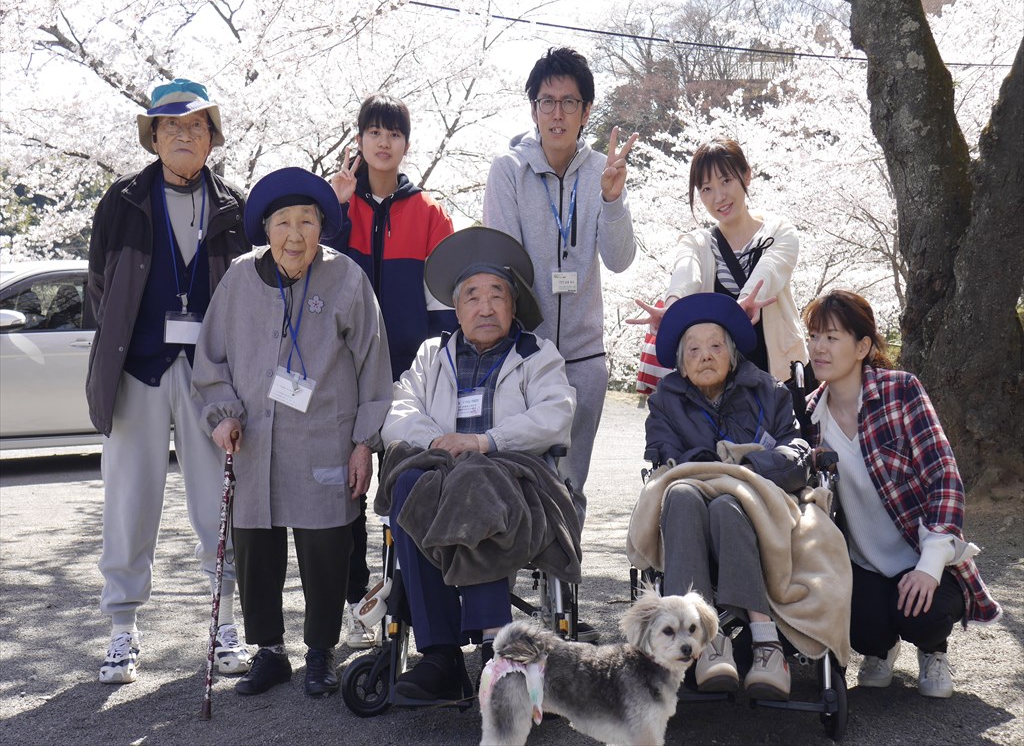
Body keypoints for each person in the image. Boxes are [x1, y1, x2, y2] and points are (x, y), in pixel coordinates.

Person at [191, 168, 393, 698]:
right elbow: (210, 361)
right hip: (254, 438)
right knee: (255, 546)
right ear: (266, 228)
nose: (295, 235)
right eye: (283, 222)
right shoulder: (238, 279)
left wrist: (363, 443)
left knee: (327, 546)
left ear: (323, 226)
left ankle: (320, 651)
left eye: (307, 221)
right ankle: (270, 651)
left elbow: (374, 366)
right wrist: (222, 415)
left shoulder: (346, 278)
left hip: (324, 436)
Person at [86, 78, 251, 684]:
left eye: (197, 125)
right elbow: (100, 288)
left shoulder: (234, 205)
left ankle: (225, 621)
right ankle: (122, 629)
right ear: (153, 137)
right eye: (172, 126)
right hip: (138, 369)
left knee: (220, 501)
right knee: (129, 502)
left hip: (211, 377)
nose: (185, 134)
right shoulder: (122, 201)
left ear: (212, 137)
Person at [377, 227, 577, 701]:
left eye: (497, 296)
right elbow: (398, 412)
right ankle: (440, 656)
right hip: (442, 476)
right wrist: (440, 442)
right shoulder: (432, 355)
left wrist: (485, 442)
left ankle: (495, 645)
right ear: (456, 307)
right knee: (406, 482)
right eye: (472, 296)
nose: (485, 308)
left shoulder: (536, 355)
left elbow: (556, 413)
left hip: (518, 484)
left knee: (475, 477)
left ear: (513, 305)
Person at [803, 290, 1001, 698]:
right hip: (863, 564)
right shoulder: (809, 417)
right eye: (814, 336)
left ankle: (934, 648)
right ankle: (881, 649)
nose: (819, 347)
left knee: (923, 615)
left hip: (919, 551)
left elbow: (944, 477)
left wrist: (929, 565)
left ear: (862, 347)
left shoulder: (900, 390)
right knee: (862, 630)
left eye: (832, 337)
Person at [483, 46, 638, 527]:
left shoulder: (603, 172)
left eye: (569, 102)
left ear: (585, 111)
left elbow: (619, 260)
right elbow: (503, 265)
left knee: (571, 487)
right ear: (533, 109)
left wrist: (612, 200)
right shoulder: (508, 170)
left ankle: (566, 575)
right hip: (522, 354)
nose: (557, 113)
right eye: (547, 101)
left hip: (585, 358)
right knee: (519, 480)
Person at [327, 93, 457, 649]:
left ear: (406, 143)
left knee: (407, 487)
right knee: (344, 494)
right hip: (342, 373)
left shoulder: (429, 214)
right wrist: (335, 211)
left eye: (394, 133)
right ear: (358, 139)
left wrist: (437, 374)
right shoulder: (337, 205)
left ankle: (406, 604)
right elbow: (315, 277)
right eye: (374, 132)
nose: (383, 142)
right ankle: (354, 604)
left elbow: (445, 306)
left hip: (408, 376)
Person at [646, 293, 810, 700]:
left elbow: (797, 453)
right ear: (681, 362)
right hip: (689, 509)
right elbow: (665, 459)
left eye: (715, 346)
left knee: (726, 504)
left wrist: (746, 467)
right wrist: (716, 466)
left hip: (758, 509)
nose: (705, 356)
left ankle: (766, 643)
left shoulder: (769, 392)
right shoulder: (664, 401)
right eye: (694, 349)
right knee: (681, 493)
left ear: (733, 354)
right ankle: (706, 640)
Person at [629, 138, 810, 394]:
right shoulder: (697, 243)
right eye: (706, 188)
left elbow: (770, 269)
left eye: (726, 181)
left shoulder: (779, 232)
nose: (719, 197)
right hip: (721, 390)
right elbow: (686, 273)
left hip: (782, 379)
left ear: (746, 175)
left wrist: (747, 299)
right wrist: (673, 305)